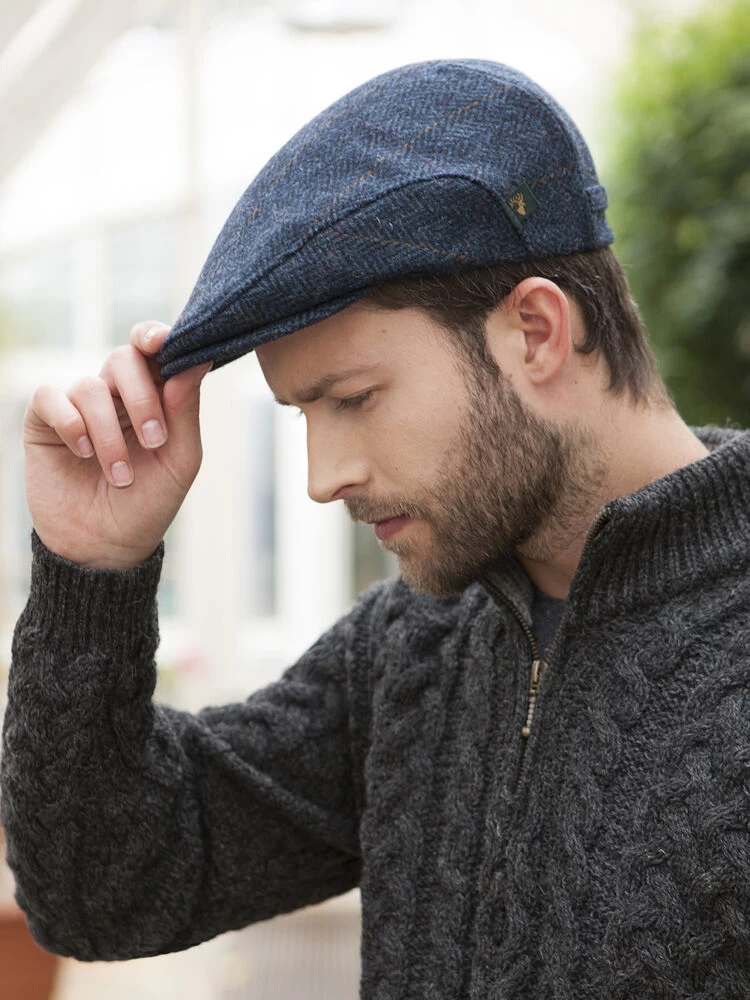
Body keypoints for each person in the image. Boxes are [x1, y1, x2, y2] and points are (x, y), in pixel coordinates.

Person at [2, 59, 750, 999]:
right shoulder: (414, 648)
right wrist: (90, 567)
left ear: (536, 331)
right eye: (302, 414)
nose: (322, 479)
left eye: (352, 398)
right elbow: (97, 892)